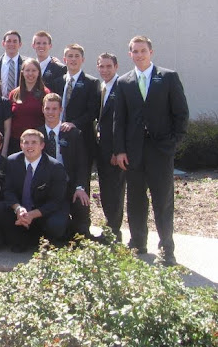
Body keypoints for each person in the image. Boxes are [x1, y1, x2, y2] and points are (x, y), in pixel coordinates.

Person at [114, 36, 189, 266]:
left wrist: (173, 143)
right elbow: (120, 119)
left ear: (151, 52)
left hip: (160, 151)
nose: (139, 55)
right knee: (135, 200)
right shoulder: (124, 82)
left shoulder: (167, 77)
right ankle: (138, 242)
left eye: (143, 50)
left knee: (163, 201)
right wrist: (120, 150)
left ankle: (167, 248)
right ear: (130, 55)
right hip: (133, 153)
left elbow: (181, 113)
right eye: (135, 51)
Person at [0, 129, 69, 252]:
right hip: (21, 211)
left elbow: (56, 201)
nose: (29, 146)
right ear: (21, 145)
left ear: (42, 145)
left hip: (43, 211)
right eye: (26, 142)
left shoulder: (55, 167)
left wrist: (32, 214)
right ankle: (21, 237)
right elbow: (8, 190)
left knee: (56, 224)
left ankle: (47, 239)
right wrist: (18, 208)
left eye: (34, 142)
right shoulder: (12, 161)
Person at [38, 93, 90, 238]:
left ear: (61, 110)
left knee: (82, 200)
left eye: (54, 109)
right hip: (46, 187)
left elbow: (82, 164)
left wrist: (80, 187)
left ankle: (82, 233)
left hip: (69, 185)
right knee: (55, 228)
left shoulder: (73, 134)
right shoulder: (37, 135)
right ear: (42, 109)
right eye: (47, 108)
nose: (50, 112)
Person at [52, 43, 100, 182]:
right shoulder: (57, 82)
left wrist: (73, 124)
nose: (73, 59)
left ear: (83, 60)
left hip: (82, 138)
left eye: (77, 56)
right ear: (65, 59)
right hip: (59, 137)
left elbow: (92, 112)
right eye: (70, 56)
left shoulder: (92, 82)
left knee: (81, 179)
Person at [95, 52, 126, 242]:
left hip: (115, 150)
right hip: (101, 148)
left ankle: (115, 232)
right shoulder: (102, 87)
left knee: (115, 191)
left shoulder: (121, 87)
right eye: (101, 66)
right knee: (105, 189)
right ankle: (109, 228)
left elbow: (122, 121)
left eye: (109, 66)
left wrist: (118, 150)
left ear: (116, 67)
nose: (105, 70)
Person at [8, 58, 50, 154]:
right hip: (16, 142)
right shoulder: (14, 94)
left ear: (39, 72)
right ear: (22, 72)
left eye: (34, 70)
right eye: (27, 70)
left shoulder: (45, 93)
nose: (30, 73)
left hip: (36, 143)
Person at [0, 30, 26, 98]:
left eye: (15, 41)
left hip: (20, 103)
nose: (11, 44)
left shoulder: (26, 64)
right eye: (8, 41)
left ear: (20, 44)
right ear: (3, 43)